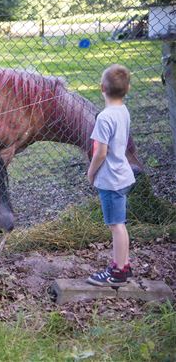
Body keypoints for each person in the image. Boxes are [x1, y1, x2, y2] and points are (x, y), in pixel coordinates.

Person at [86, 64, 135, 287]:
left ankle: (118, 271)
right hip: (122, 175)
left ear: (101, 88)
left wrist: (91, 172)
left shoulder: (104, 118)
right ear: (128, 89)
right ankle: (123, 265)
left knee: (116, 226)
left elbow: (100, 152)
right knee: (119, 224)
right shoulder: (123, 111)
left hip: (111, 179)